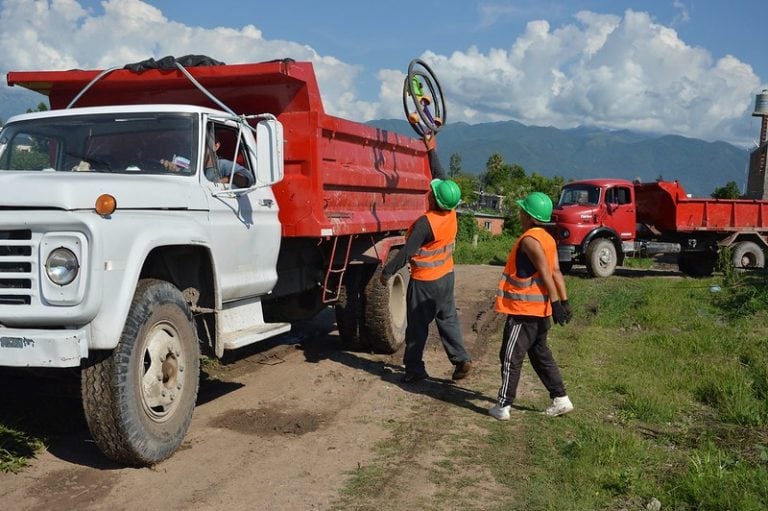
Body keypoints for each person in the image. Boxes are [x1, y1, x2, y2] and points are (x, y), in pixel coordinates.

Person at [380, 134, 472, 383]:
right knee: (448, 319)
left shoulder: (425, 224)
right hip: (446, 278)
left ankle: (414, 370)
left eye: (431, 193)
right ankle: (461, 359)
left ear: (434, 199)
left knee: (417, 328)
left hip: (425, 283)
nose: (429, 193)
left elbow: (407, 253)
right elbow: (441, 179)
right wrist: (432, 150)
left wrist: (387, 272)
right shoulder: (451, 212)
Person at [489, 191, 574, 420]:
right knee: (540, 356)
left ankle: (503, 405)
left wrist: (558, 304)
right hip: (540, 311)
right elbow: (556, 271)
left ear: (529, 215)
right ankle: (561, 399)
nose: (519, 214)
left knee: (509, 357)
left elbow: (547, 272)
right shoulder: (547, 238)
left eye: (521, 210)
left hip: (524, 311)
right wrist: (563, 301)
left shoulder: (529, 240)